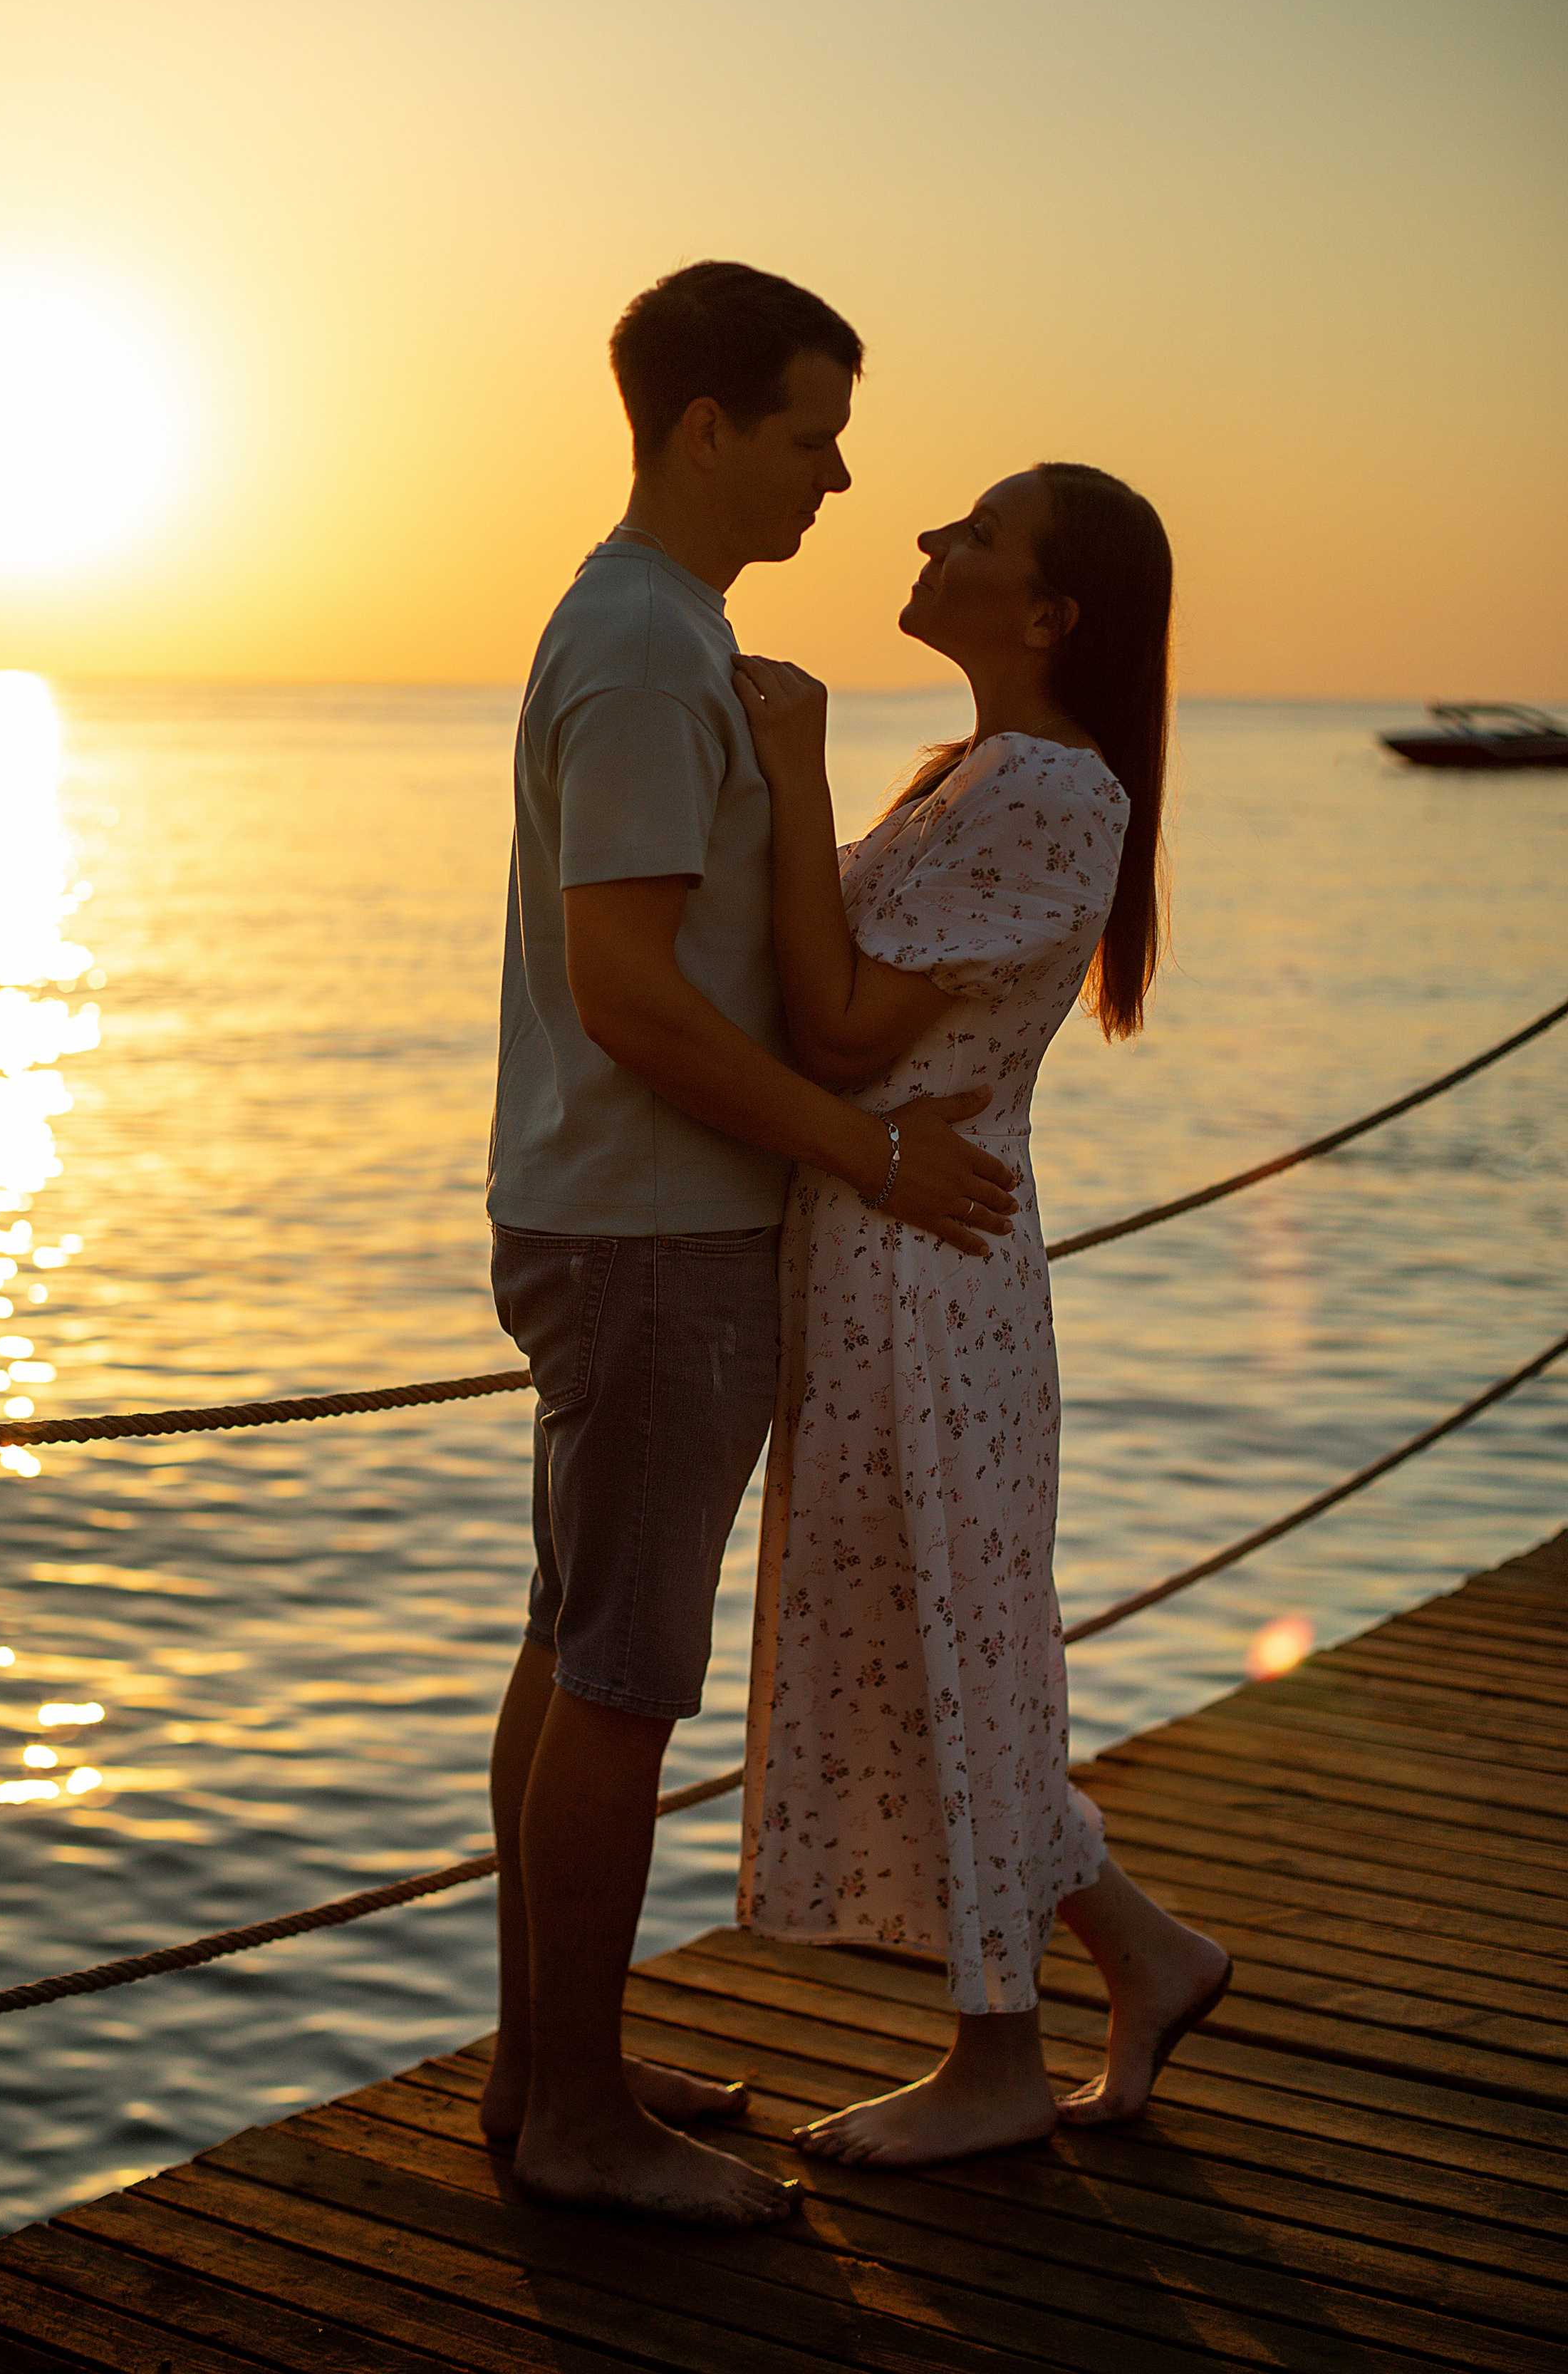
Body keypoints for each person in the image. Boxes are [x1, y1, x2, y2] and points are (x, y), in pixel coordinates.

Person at [484, 261, 1021, 2226]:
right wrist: (864, 1151)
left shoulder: (658, 630)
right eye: (811, 431)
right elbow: (626, 990)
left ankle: (553, 2068)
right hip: (653, 1238)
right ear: (708, 427)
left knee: (572, 1649)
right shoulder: (640, 648)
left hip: (619, 1219)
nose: (842, 471)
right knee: (622, 1674)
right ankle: (572, 2132)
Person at [734, 462, 1232, 2167]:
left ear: (1047, 616)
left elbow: (842, 1028)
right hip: (894, 1253)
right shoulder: (984, 775)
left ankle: (996, 2059)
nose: (931, 538)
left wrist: (791, 775)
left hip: (920, 1270)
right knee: (941, 1632)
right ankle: (1144, 1958)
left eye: (977, 532)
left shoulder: (1035, 783)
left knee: (950, 1635)